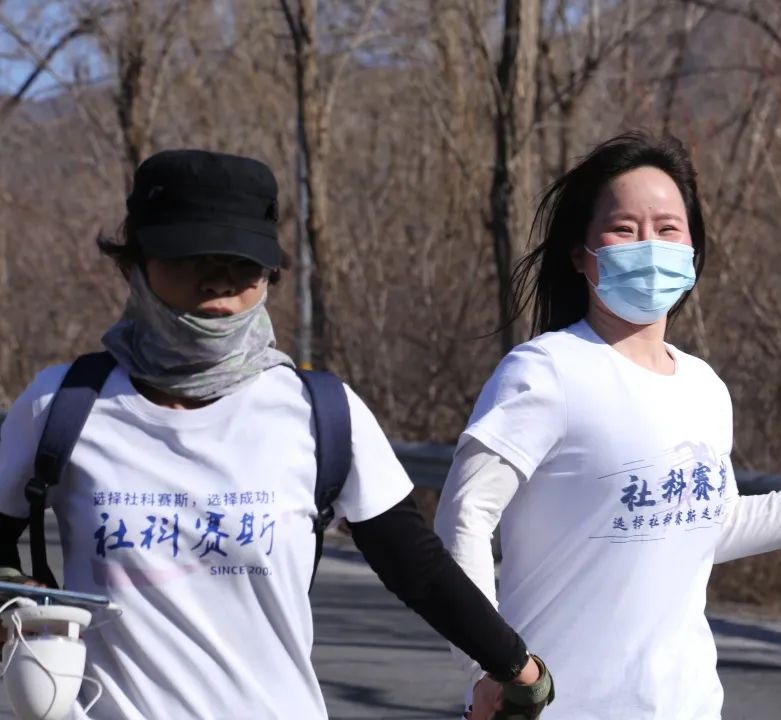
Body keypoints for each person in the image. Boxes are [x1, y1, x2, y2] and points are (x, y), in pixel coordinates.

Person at [0, 150, 552, 719]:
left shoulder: (320, 412)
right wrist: (16, 599)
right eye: (189, 257)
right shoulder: (62, 403)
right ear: (134, 264)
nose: (217, 281)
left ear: (269, 274)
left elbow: (417, 566)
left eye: (241, 264)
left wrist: (517, 668)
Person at [433, 131, 781, 719]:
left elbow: (708, 526)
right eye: (624, 229)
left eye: (667, 229)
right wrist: (490, 669)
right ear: (580, 254)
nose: (649, 247)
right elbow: (463, 517)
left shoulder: (704, 386)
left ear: (692, 250)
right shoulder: (545, 371)